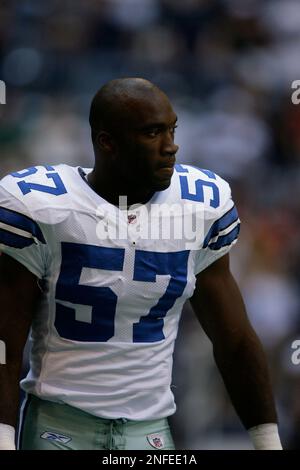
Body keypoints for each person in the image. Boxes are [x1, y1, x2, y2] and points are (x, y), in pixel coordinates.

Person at [0, 78, 282, 450]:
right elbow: (6, 341)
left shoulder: (200, 207)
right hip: (60, 427)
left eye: (171, 129)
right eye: (152, 133)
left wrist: (267, 441)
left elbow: (234, 341)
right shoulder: (43, 207)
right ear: (107, 142)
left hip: (149, 433)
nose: (171, 146)